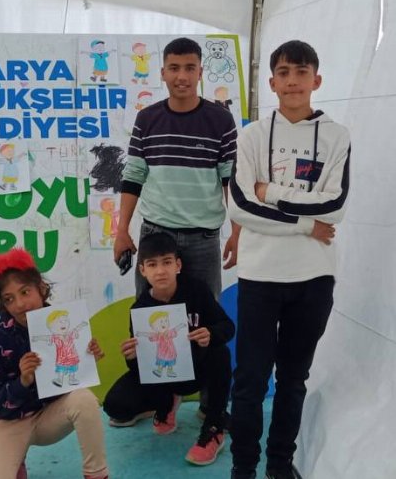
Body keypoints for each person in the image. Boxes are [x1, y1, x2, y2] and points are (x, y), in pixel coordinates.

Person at [228, 40, 351, 479]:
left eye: (301, 72)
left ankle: (280, 465)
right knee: (249, 381)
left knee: (293, 380)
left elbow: (334, 206)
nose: (293, 81)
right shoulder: (251, 136)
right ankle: (243, 468)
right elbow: (241, 205)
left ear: (316, 80)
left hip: (314, 277)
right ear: (271, 82)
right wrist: (304, 224)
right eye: (284, 72)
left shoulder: (337, 136)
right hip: (260, 276)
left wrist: (271, 192)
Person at [114, 36, 240, 301]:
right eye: (174, 68)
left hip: (203, 240)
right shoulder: (146, 119)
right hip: (155, 235)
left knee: (206, 317)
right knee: (150, 317)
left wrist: (237, 233)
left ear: (200, 73)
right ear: (162, 73)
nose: (182, 76)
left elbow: (230, 180)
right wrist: (122, 230)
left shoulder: (221, 120)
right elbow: (133, 176)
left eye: (189, 68)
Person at [0, 248, 109, 479]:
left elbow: (70, 383)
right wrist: (22, 382)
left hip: (50, 418)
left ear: (42, 289)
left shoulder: (64, 323)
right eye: (9, 299)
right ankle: (15, 459)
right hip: (10, 422)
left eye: (25, 292)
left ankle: (96, 474)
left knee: (85, 399)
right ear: (3, 305)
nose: (19, 304)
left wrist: (87, 360)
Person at [103, 232, 235, 466]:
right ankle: (166, 404)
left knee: (220, 352)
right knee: (115, 405)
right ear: (142, 270)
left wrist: (211, 333)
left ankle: (214, 426)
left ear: (178, 265)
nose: (160, 271)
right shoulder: (140, 308)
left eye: (166, 262)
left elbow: (227, 327)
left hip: (196, 370)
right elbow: (140, 368)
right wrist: (132, 357)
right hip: (164, 376)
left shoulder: (197, 291)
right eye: (152, 265)